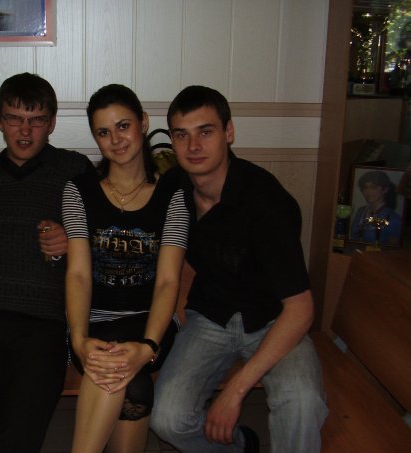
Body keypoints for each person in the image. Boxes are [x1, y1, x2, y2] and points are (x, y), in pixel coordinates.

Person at [149, 86, 328, 453]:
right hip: (209, 316)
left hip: (274, 319)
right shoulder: (173, 187)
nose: (193, 146)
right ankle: (240, 447)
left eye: (206, 131)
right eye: (182, 135)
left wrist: (235, 390)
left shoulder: (266, 201)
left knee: (302, 402)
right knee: (167, 419)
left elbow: (301, 308)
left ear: (228, 132)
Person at [0, 73, 96, 452]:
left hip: (41, 323)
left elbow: (115, 224)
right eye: (14, 119)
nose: (25, 131)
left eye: (36, 120)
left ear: (52, 123)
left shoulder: (74, 170)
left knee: (18, 437)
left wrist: (76, 239)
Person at [62, 84, 189, 453]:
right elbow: (78, 275)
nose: (115, 140)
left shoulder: (172, 194)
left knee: (115, 363)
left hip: (152, 323)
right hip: (93, 324)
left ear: (143, 123)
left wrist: (148, 347)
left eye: (123, 126)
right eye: (103, 132)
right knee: (134, 385)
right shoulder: (78, 190)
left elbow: (168, 282)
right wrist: (78, 340)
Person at [350, 169, 402, 246]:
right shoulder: (361, 211)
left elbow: (393, 249)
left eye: (373, 187)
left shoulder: (394, 219)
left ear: (385, 189)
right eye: (365, 187)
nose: (368, 191)